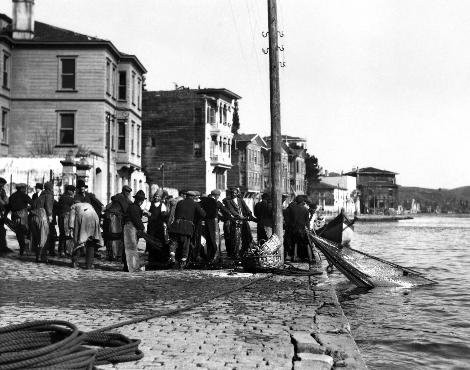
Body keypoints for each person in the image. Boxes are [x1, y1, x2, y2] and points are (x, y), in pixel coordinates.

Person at [168, 191, 206, 269]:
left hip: (176, 225)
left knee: (174, 242)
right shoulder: (195, 204)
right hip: (186, 227)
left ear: (186, 196)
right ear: (193, 197)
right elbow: (203, 214)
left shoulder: (179, 202)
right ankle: (183, 262)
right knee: (185, 245)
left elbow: (175, 213)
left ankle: (172, 256)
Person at [199, 189, 229, 264]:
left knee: (206, 240)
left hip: (204, 224)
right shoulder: (217, 203)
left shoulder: (204, 201)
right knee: (215, 240)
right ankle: (215, 256)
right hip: (214, 223)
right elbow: (225, 211)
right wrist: (229, 217)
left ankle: (206, 256)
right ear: (216, 195)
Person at [69, 201, 102, 269]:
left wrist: (71, 229)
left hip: (84, 218)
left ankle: (75, 262)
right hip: (94, 218)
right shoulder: (88, 205)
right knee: (91, 242)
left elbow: (71, 220)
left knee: (79, 241)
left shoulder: (73, 206)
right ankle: (89, 265)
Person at [103, 185, 132, 261]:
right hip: (114, 218)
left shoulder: (120, 197)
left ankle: (113, 255)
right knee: (115, 236)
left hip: (110, 217)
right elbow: (127, 208)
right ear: (124, 191)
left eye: (129, 192)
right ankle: (115, 255)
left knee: (112, 237)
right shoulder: (121, 197)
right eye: (127, 191)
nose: (128, 193)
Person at [224, 187, 253, 258]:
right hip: (235, 221)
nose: (234, 194)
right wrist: (238, 216)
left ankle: (244, 251)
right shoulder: (229, 201)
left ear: (237, 193)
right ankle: (236, 253)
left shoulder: (240, 200)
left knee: (248, 236)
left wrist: (250, 214)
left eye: (235, 193)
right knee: (236, 238)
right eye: (232, 193)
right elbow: (232, 210)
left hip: (243, 220)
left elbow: (246, 207)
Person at [29, 182, 54, 263]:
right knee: (43, 237)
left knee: (37, 238)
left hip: (33, 217)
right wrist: (50, 216)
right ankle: (41, 257)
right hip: (41, 216)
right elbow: (48, 206)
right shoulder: (49, 195)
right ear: (50, 188)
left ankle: (38, 256)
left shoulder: (40, 196)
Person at [123, 190, 146, 272]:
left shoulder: (133, 207)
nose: (141, 201)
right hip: (130, 228)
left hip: (129, 227)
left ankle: (128, 267)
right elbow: (136, 219)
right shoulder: (134, 208)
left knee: (129, 247)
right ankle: (132, 267)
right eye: (140, 200)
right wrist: (142, 228)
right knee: (131, 248)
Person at [5, 183, 32, 256]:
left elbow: (8, 207)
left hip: (14, 216)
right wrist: (29, 209)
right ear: (22, 188)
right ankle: (23, 247)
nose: (25, 189)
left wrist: (5, 216)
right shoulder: (24, 196)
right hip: (22, 216)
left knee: (18, 232)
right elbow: (32, 203)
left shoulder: (12, 196)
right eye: (25, 188)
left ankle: (22, 247)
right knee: (24, 231)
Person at [147, 189, 169, 269]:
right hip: (151, 226)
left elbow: (164, 215)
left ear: (160, 198)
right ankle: (151, 257)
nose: (156, 197)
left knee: (159, 241)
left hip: (159, 226)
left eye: (158, 196)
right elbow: (146, 212)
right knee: (151, 241)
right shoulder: (150, 204)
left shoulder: (162, 205)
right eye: (155, 196)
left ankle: (159, 257)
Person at [285, 195, 312, 262]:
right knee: (307, 244)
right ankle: (310, 258)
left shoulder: (292, 208)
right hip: (302, 230)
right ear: (302, 202)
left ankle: (294, 256)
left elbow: (287, 216)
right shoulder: (305, 210)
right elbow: (307, 222)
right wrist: (308, 231)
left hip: (293, 229)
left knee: (295, 243)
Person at [57, 185, 75, 257]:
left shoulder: (61, 197)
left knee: (62, 234)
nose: (73, 192)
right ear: (69, 191)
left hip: (61, 217)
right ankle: (65, 250)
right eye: (72, 191)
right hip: (66, 217)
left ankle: (61, 250)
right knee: (67, 234)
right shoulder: (69, 199)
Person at [0, 177, 9, 254]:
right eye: (2, 184)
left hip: (1, 212)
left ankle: (2, 246)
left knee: (2, 230)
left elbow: (6, 200)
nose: (2, 186)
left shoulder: (2, 191)